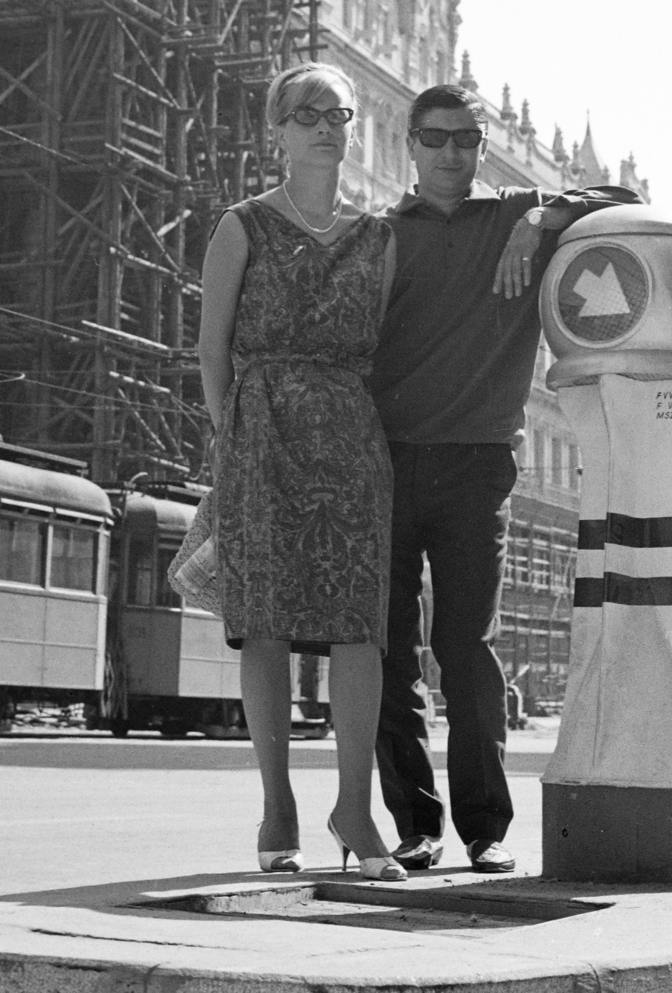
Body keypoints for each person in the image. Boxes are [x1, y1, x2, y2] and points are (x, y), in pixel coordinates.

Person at [370, 83, 641, 873]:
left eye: (466, 139)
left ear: (481, 148)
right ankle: (415, 825)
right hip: (386, 458)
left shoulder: (511, 213)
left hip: (477, 462)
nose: (451, 152)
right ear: (411, 145)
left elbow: (622, 199)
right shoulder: (382, 234)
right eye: (436, 138)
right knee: (389, 650)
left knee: (469, 648)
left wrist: (536, 217)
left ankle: (485, 828)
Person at [197, 61, 405, 880]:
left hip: (352, 443)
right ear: (278, 130)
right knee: (268, 620)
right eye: (307, 112)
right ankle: (277, 800)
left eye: (340, 113)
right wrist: (235, 438)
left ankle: (355, 806)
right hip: (262, 436)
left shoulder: (378, 238)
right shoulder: (241, 225)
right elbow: (213, 351)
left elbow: (381, 349)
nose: (326, 125)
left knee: (360, 624)